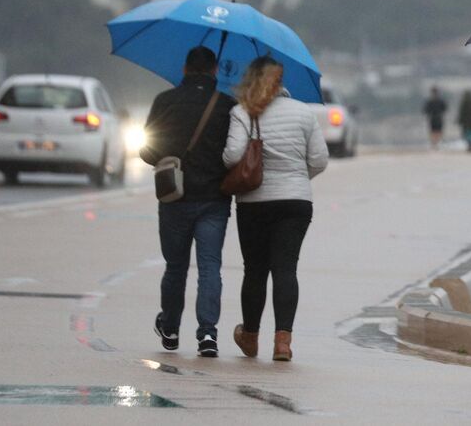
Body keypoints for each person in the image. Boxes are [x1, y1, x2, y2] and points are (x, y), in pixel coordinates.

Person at [223, 56, 329, 362]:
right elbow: (320, 160)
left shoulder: (243, 111)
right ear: (281, 81)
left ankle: (251, 337)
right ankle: (283, 342)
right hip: (296, 202)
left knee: (255, 270)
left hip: (254, 203)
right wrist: (297, 178)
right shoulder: (303, 112)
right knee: (286, 269)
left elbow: (231, 156)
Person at [140, 46, 236, 358]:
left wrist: (167, 161)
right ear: (215, 71)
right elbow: (235, 153)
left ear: (184, 70)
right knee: (210, 267)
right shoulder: (227, 106)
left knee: (175, 266)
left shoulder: (164, 101)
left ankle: (169, 327)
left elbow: (146, 150)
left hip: (174, 196)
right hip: (214, 199)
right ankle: (208, 334)